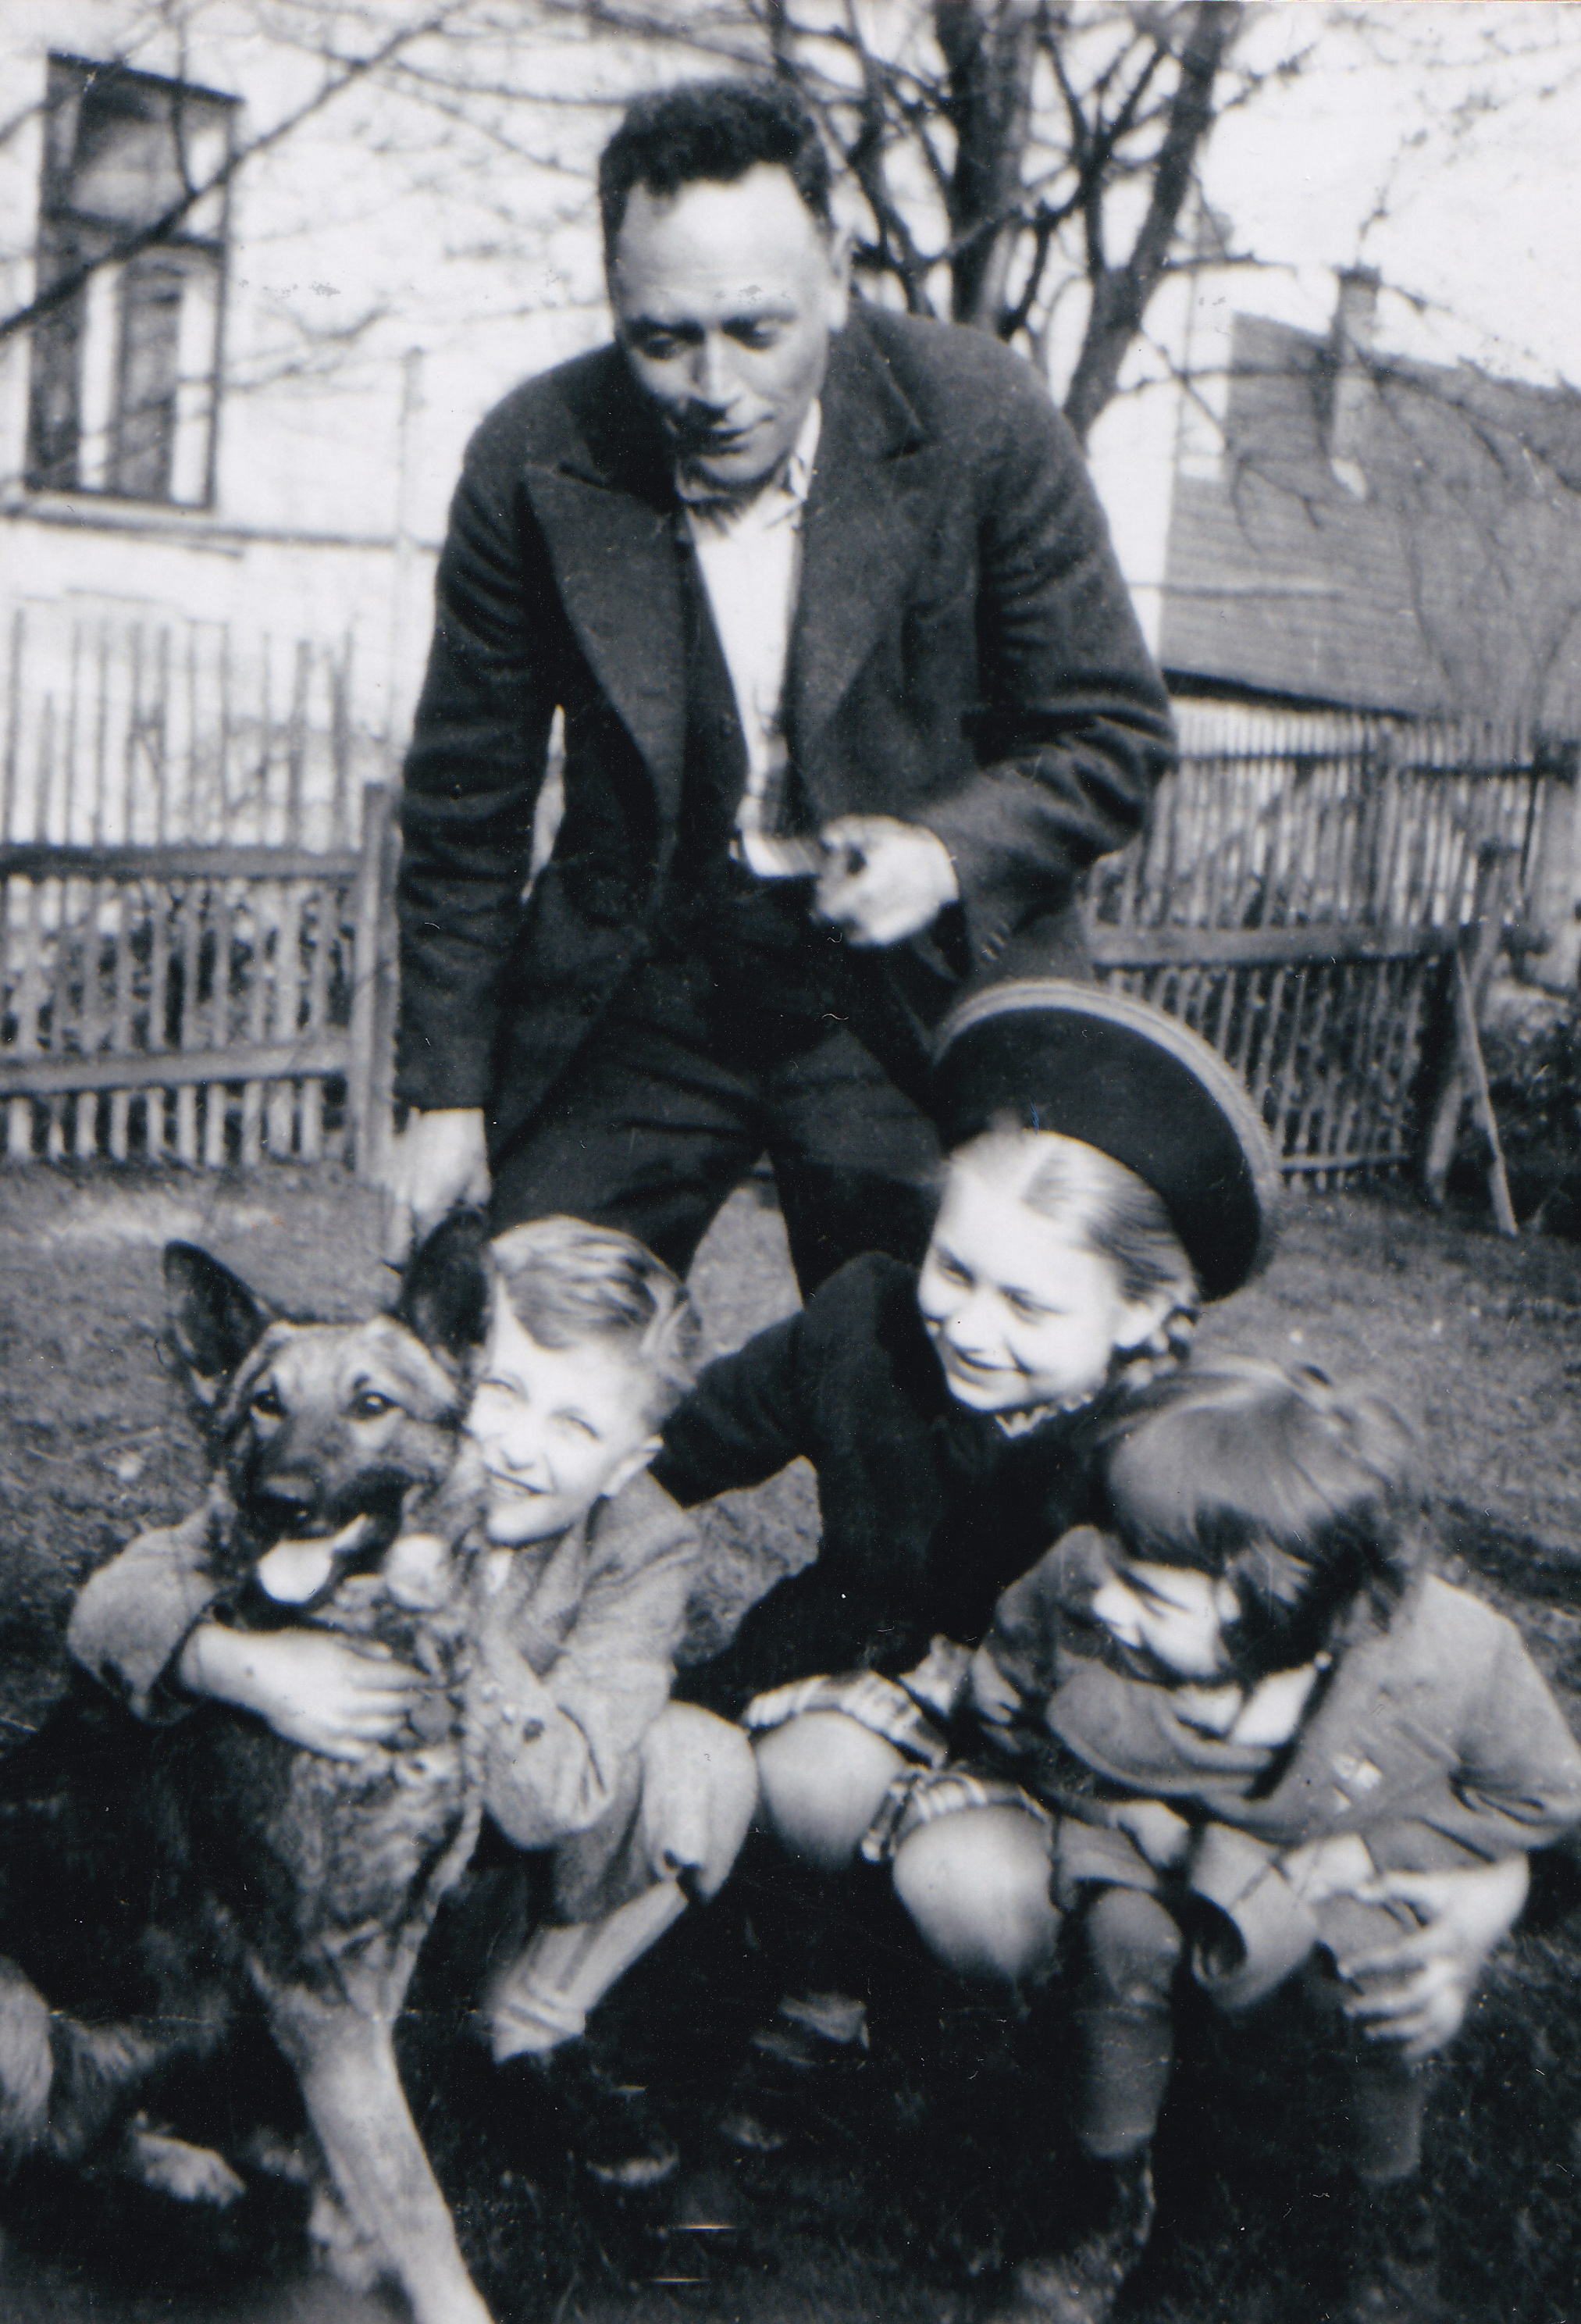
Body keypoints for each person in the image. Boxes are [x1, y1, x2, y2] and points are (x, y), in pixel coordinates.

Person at [387, 76, 1175, 1295]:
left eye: (756, 330)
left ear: (839, 277)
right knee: (508, 1335)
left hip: (909, 993)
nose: (713, 387)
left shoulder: (982, 418)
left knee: (928, 1362)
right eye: (663, 340)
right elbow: (463, 809)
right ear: (615, 301)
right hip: (648, 976)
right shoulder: (532, 457)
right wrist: (445, 1097)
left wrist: (944, 854)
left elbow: (1112, 734)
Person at [68, 1217, 758, 2173]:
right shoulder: (360, 1494)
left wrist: (457, 1613)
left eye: (575, 1426)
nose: (517, 1447)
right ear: (456, 1369)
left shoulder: (645, 1546)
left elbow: (554, 1797)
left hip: (505, 1862)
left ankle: (533, 2025)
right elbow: (109, 1610)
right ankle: (258, 2069)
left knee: (704, 1760)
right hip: (337, 1870)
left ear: (628, 1464)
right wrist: (237, 1667)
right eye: (502, 1393)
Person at [962, 1360, 1581, 2324]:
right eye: (1112, 1565)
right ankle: (1104, 2199)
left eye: (1151, 1599)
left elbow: (1544, 1795)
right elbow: (1006, 1711)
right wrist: (1117, 1808)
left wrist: (1378, 1857)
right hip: (1149, 1830)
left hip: (1334, 1843)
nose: (1107, 1602)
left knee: (1371, 1980)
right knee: (1124, 1943)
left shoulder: (1456, 1661)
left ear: (1285, 1617)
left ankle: (1382, 2212)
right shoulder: (1088, 1585)